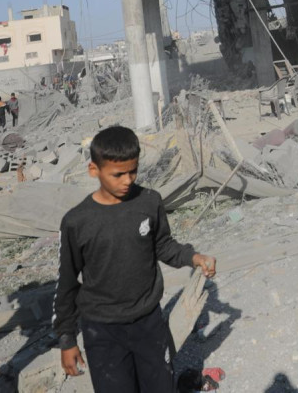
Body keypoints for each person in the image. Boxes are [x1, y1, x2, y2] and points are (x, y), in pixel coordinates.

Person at [54, 126, 216, 392]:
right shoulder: (77, 222)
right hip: (102, 331)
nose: (127, 180)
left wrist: (193, 257)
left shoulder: (149, 202)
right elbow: (67, 283)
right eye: (118, 174)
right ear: (94, 170)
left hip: (148, 322)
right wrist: (67, 339)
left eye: (133, 171)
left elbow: (163, 245)